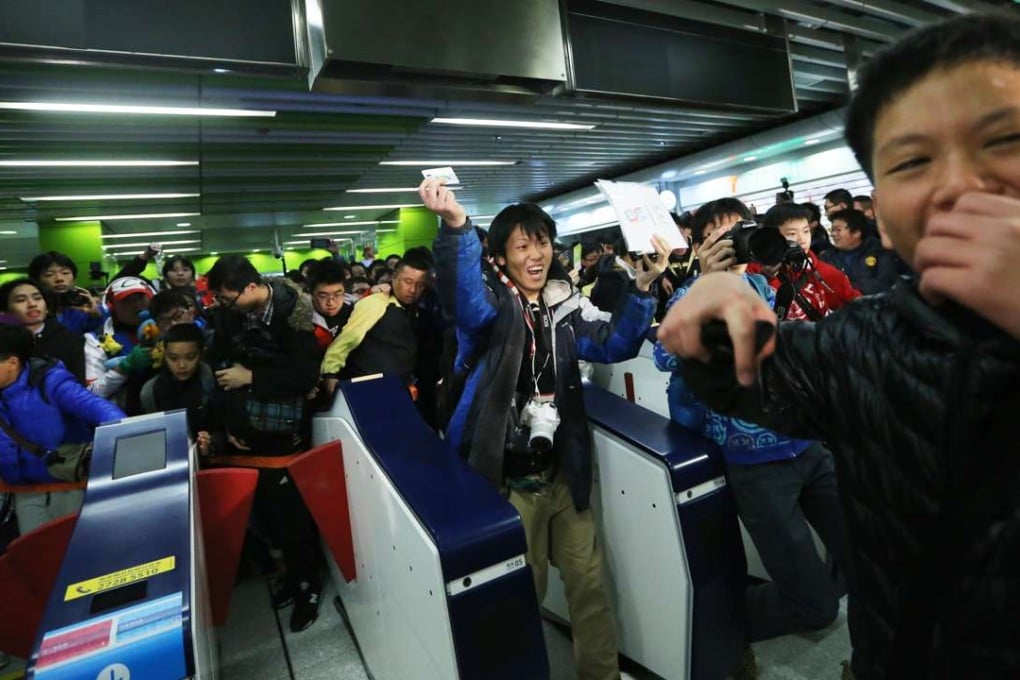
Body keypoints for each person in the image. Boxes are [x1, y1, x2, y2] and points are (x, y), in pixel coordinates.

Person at [655, 12, 1020, 679]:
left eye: (1006, 139)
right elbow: (746, 377)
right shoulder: (864, 344)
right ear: (879, 206)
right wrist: (710, 309)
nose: (959, 184)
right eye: (912, 160)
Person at [421, 178, 667, 680]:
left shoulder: (565, 304)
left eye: (543, 243)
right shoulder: (491, 310)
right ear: (502, 255)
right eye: (522, 245)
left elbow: (612, 345)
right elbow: (463, 295)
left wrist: (641, 290)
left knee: (589, 588)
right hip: (508, 484)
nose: (536, 254)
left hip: (562, 472)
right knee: (520, 595)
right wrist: (455, 227)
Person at [654, 199, 854, 650]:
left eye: (739, 231)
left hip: (808, 445)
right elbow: (666, 353)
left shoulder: (764, 285)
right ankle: (716, 622)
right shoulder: (692, 292)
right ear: (699, 242)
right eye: (720, 236)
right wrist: (703, 283)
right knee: (817, 607)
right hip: (756, 466)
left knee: (870, 558)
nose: (733, 244)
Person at [204, 255, 323, 632]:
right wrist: (229, 425)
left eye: (227, 298)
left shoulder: (295, 316)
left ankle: (309, 585)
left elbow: (304, 377)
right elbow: (223, 371)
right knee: (268, 517)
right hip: (246, 431)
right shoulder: (229, 318)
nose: (224, 307)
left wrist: (252, 376)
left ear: (252, 287)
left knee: (293, 518)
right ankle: (290, 576)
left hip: (284, 433)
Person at [0, 320, 124, 533]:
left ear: (12, 362)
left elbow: (97, 408)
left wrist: (127, 437)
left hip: (67, 487)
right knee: (38, 556)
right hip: (22, 492)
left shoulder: (50, 382)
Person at [320, 248, 431, 387]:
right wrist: (330, 376)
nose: (413, 289)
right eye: (407, 281)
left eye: (420, 285)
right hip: (369, 388)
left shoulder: (417, 310)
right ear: (394, 277)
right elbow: (344, 342)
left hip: (401, 388)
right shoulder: (375, 303)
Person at [748, 203, 861, 321]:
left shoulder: (823, 272)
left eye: (806, 231)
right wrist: (765, 279)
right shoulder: (754, 274)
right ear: (772, 238)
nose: (802, 240)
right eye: (792, 234)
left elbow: (856, 306)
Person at [139, 323, 217, 452]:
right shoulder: (151, 391)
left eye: (190, 357)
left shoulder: (212, 380)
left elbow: (223, 429)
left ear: (202, 354)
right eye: (173, 358)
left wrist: (212, 443)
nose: (181, 365)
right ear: (164, 355)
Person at [0, 278, 85, 383]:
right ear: (5, 311)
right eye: (21, 300)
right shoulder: (4, 343)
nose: (32, 304)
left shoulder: (70, 340)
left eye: (37, 298)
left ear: (47, 307)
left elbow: (78, 385)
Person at [822, 209, 899, 294]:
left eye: (838, 230)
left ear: (856, 233)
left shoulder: (880, 252)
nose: (833, 234)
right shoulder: (827, 258)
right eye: (832, 230)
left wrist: (849, 288)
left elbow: (886, 283)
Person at [27, 251, 103, 334]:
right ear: (37, 281)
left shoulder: (84, 308)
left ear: (73, 279)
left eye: (65, 273)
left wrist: (95, 316)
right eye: (49, 274)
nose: (59, 278)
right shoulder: (31, 308)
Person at [307, 259, 353, 352]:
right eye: (323, 296)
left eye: (337, 294)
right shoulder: (301, 321)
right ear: (311, 293)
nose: (331, 302)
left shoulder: (357, 310)